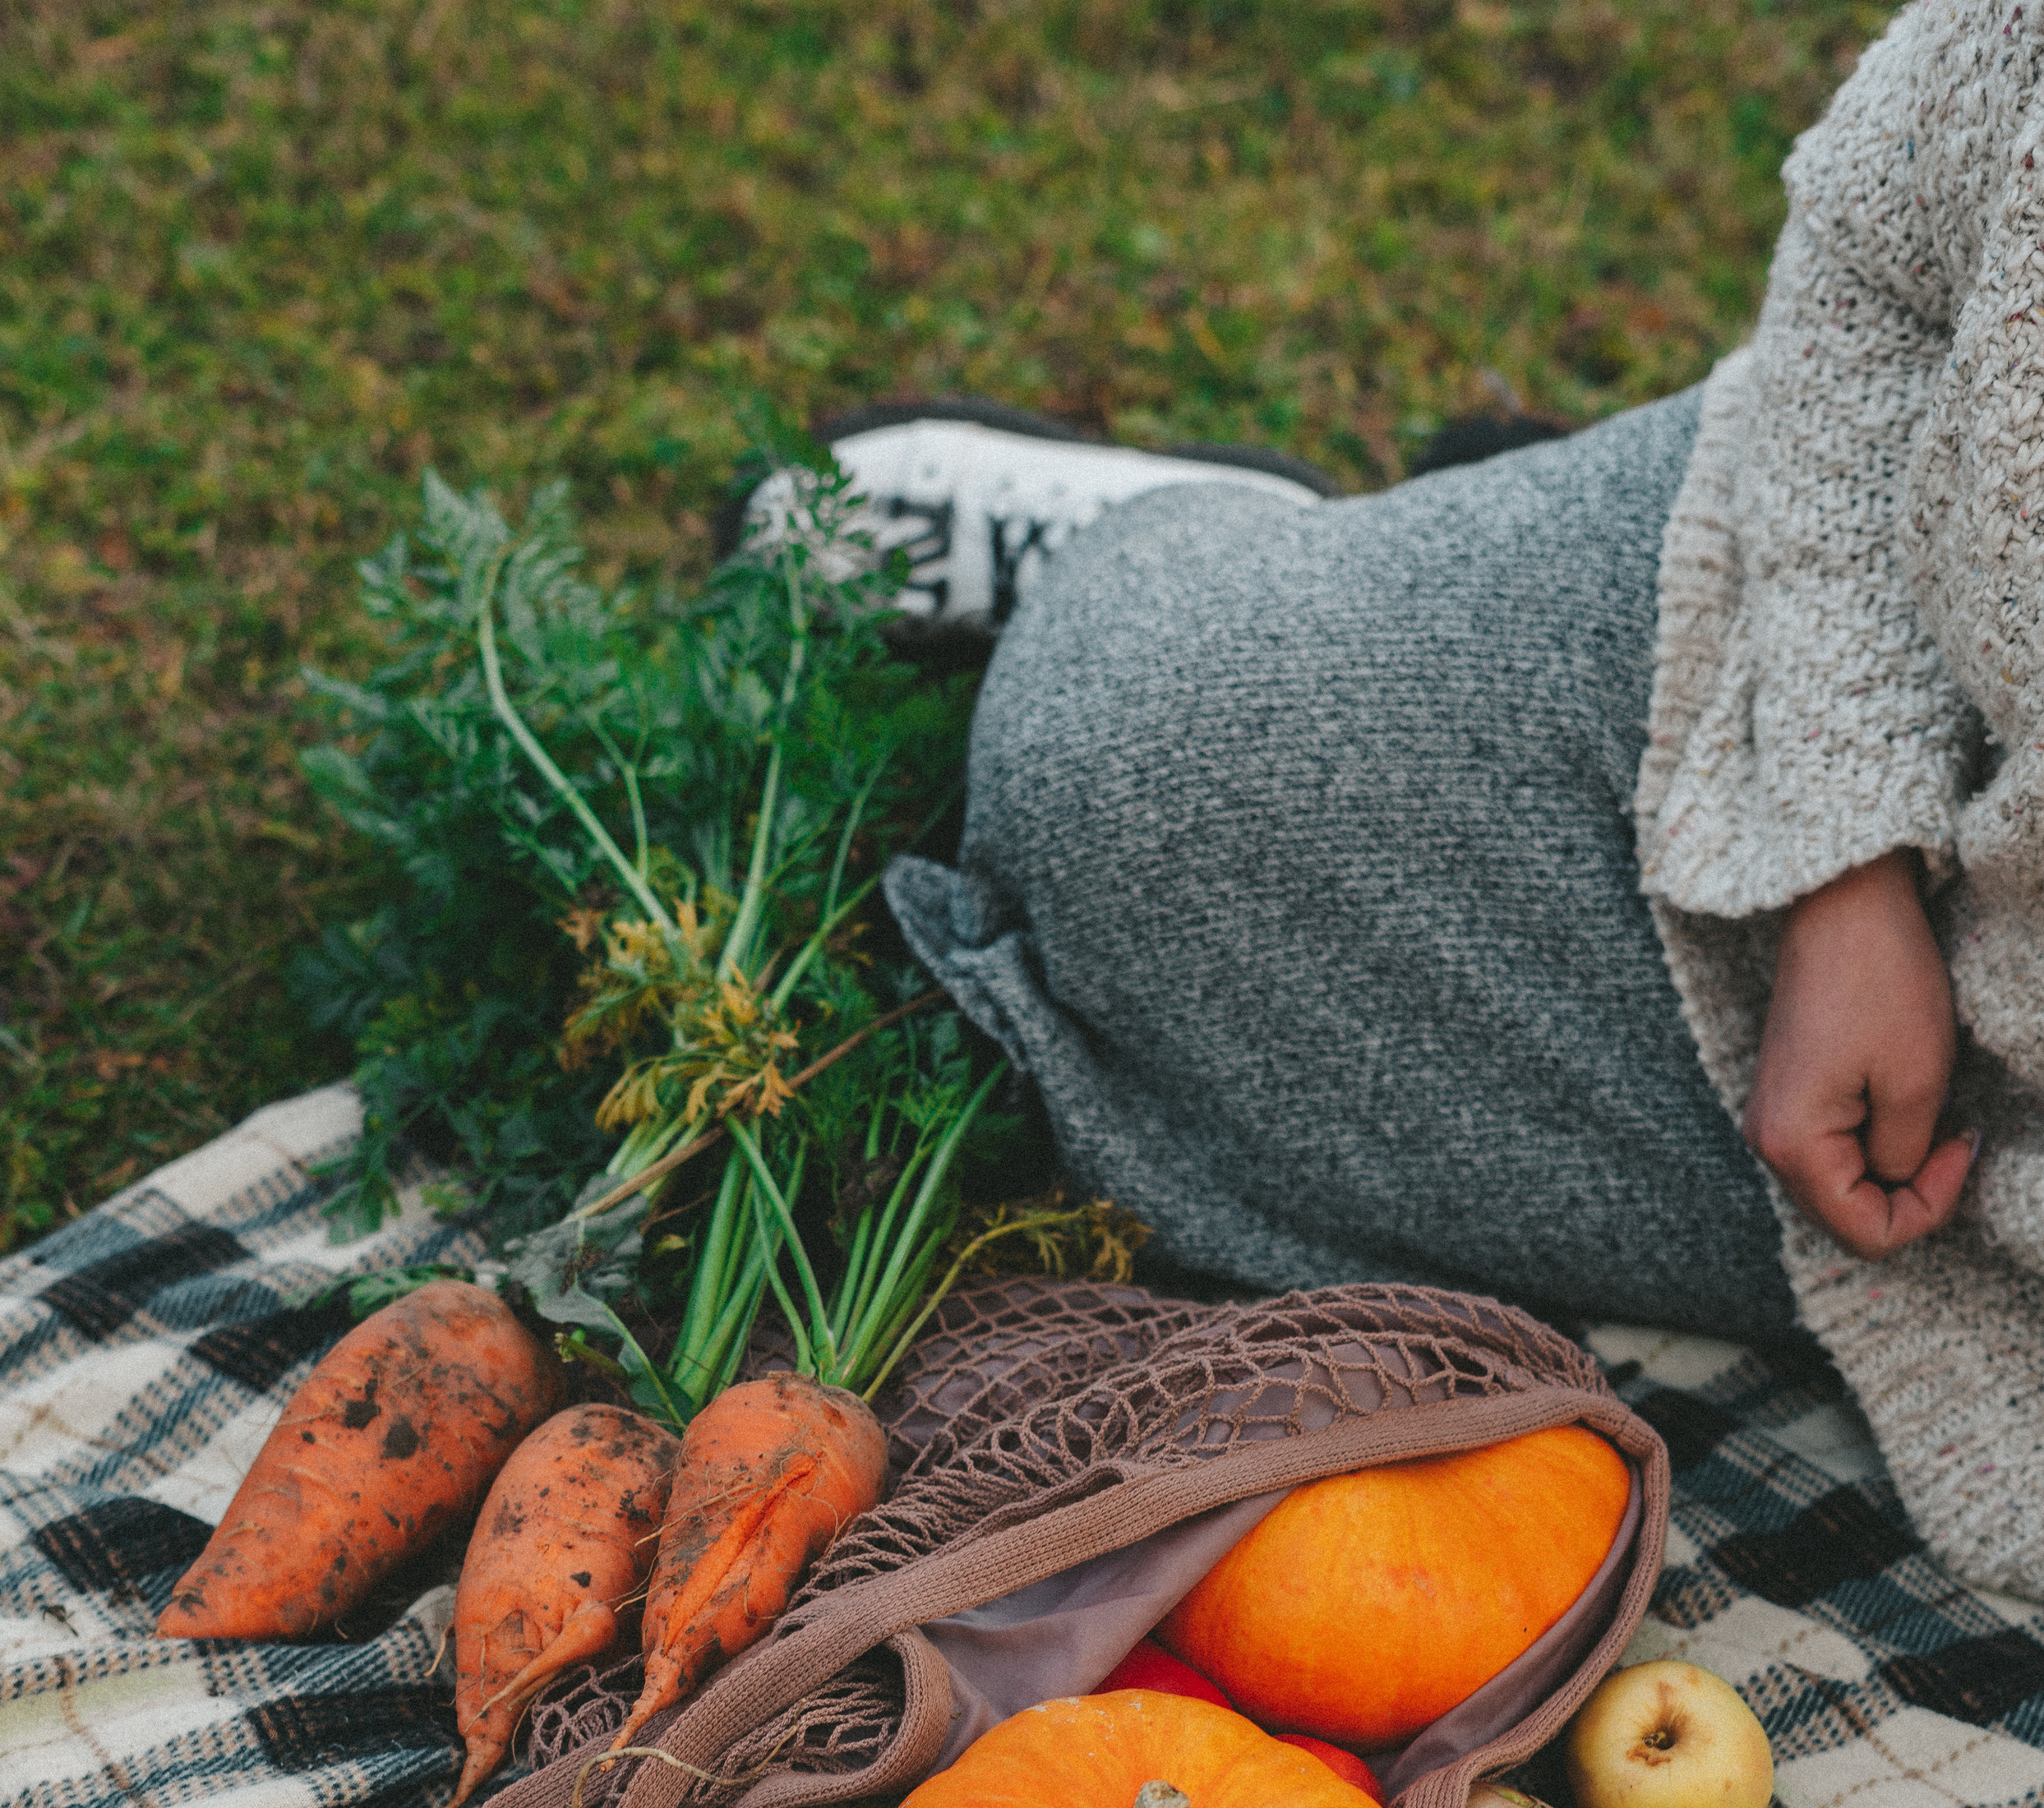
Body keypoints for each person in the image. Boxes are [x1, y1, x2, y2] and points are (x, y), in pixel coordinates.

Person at [756, 0, 2044, 1598]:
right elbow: (1881, 252)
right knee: (1111, 775)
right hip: (1867, 686)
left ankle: (1436, 514)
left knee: (1154, 1131)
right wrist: (1841, 846)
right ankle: (1239, 542)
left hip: (1977, 1206)